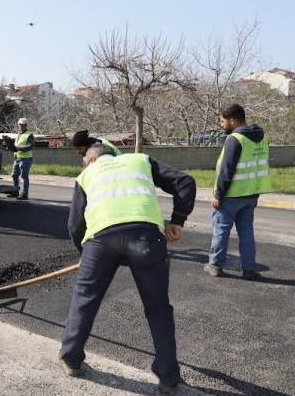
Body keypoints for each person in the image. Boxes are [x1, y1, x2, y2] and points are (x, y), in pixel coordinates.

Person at [59, 144, 196, 395]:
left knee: (85, 300)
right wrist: (177, 220)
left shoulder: (86, 175)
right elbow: (185, 182)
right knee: (157, 307)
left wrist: (86, 253)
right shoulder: (140, 161)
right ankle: (168, 377)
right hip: (147, 239)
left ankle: (71, 358)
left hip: (100, 242)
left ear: (91, 161)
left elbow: (75, 224)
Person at [205, 103, 272, 280]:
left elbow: (227, 170)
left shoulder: (235, 139)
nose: (221, 125)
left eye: (222, 121)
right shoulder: (261, 137)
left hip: (230, 196)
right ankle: (249, 269)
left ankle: (215, 265)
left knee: (221, 230)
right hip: (251, 195)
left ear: (233, 121)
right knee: (246, 232)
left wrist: (218, 194)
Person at [2, 118, 34, 200]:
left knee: (24, 176)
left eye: (22, 125)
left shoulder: (29, 134)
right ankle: (15, 191)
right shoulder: (18, 134)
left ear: (26, 125)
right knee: (14, 175)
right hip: (17, 158)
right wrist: (8, 141)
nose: (21, 126)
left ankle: (24, 194)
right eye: (20, 124)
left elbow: (30, 146)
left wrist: (19, 148)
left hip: (25, 158)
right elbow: (15, 146)